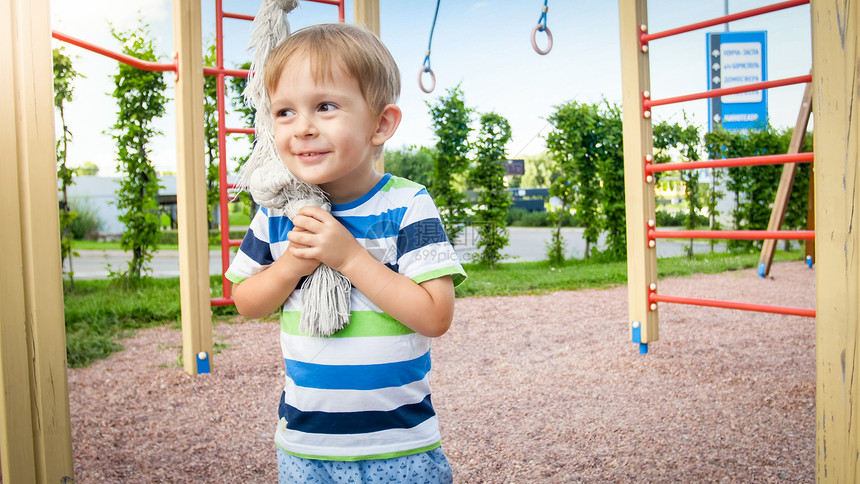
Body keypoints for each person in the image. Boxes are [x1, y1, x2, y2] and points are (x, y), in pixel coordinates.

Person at [225, 23, 466, 483]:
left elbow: (436, 316)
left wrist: (349, 257)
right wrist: (296, 261)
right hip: (306, 447)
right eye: (285, 112)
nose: (303, 128)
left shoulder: (406, 205)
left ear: (381, 124)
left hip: (399, 444)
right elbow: (246, 301)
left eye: (326, 106)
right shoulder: (278, 213)